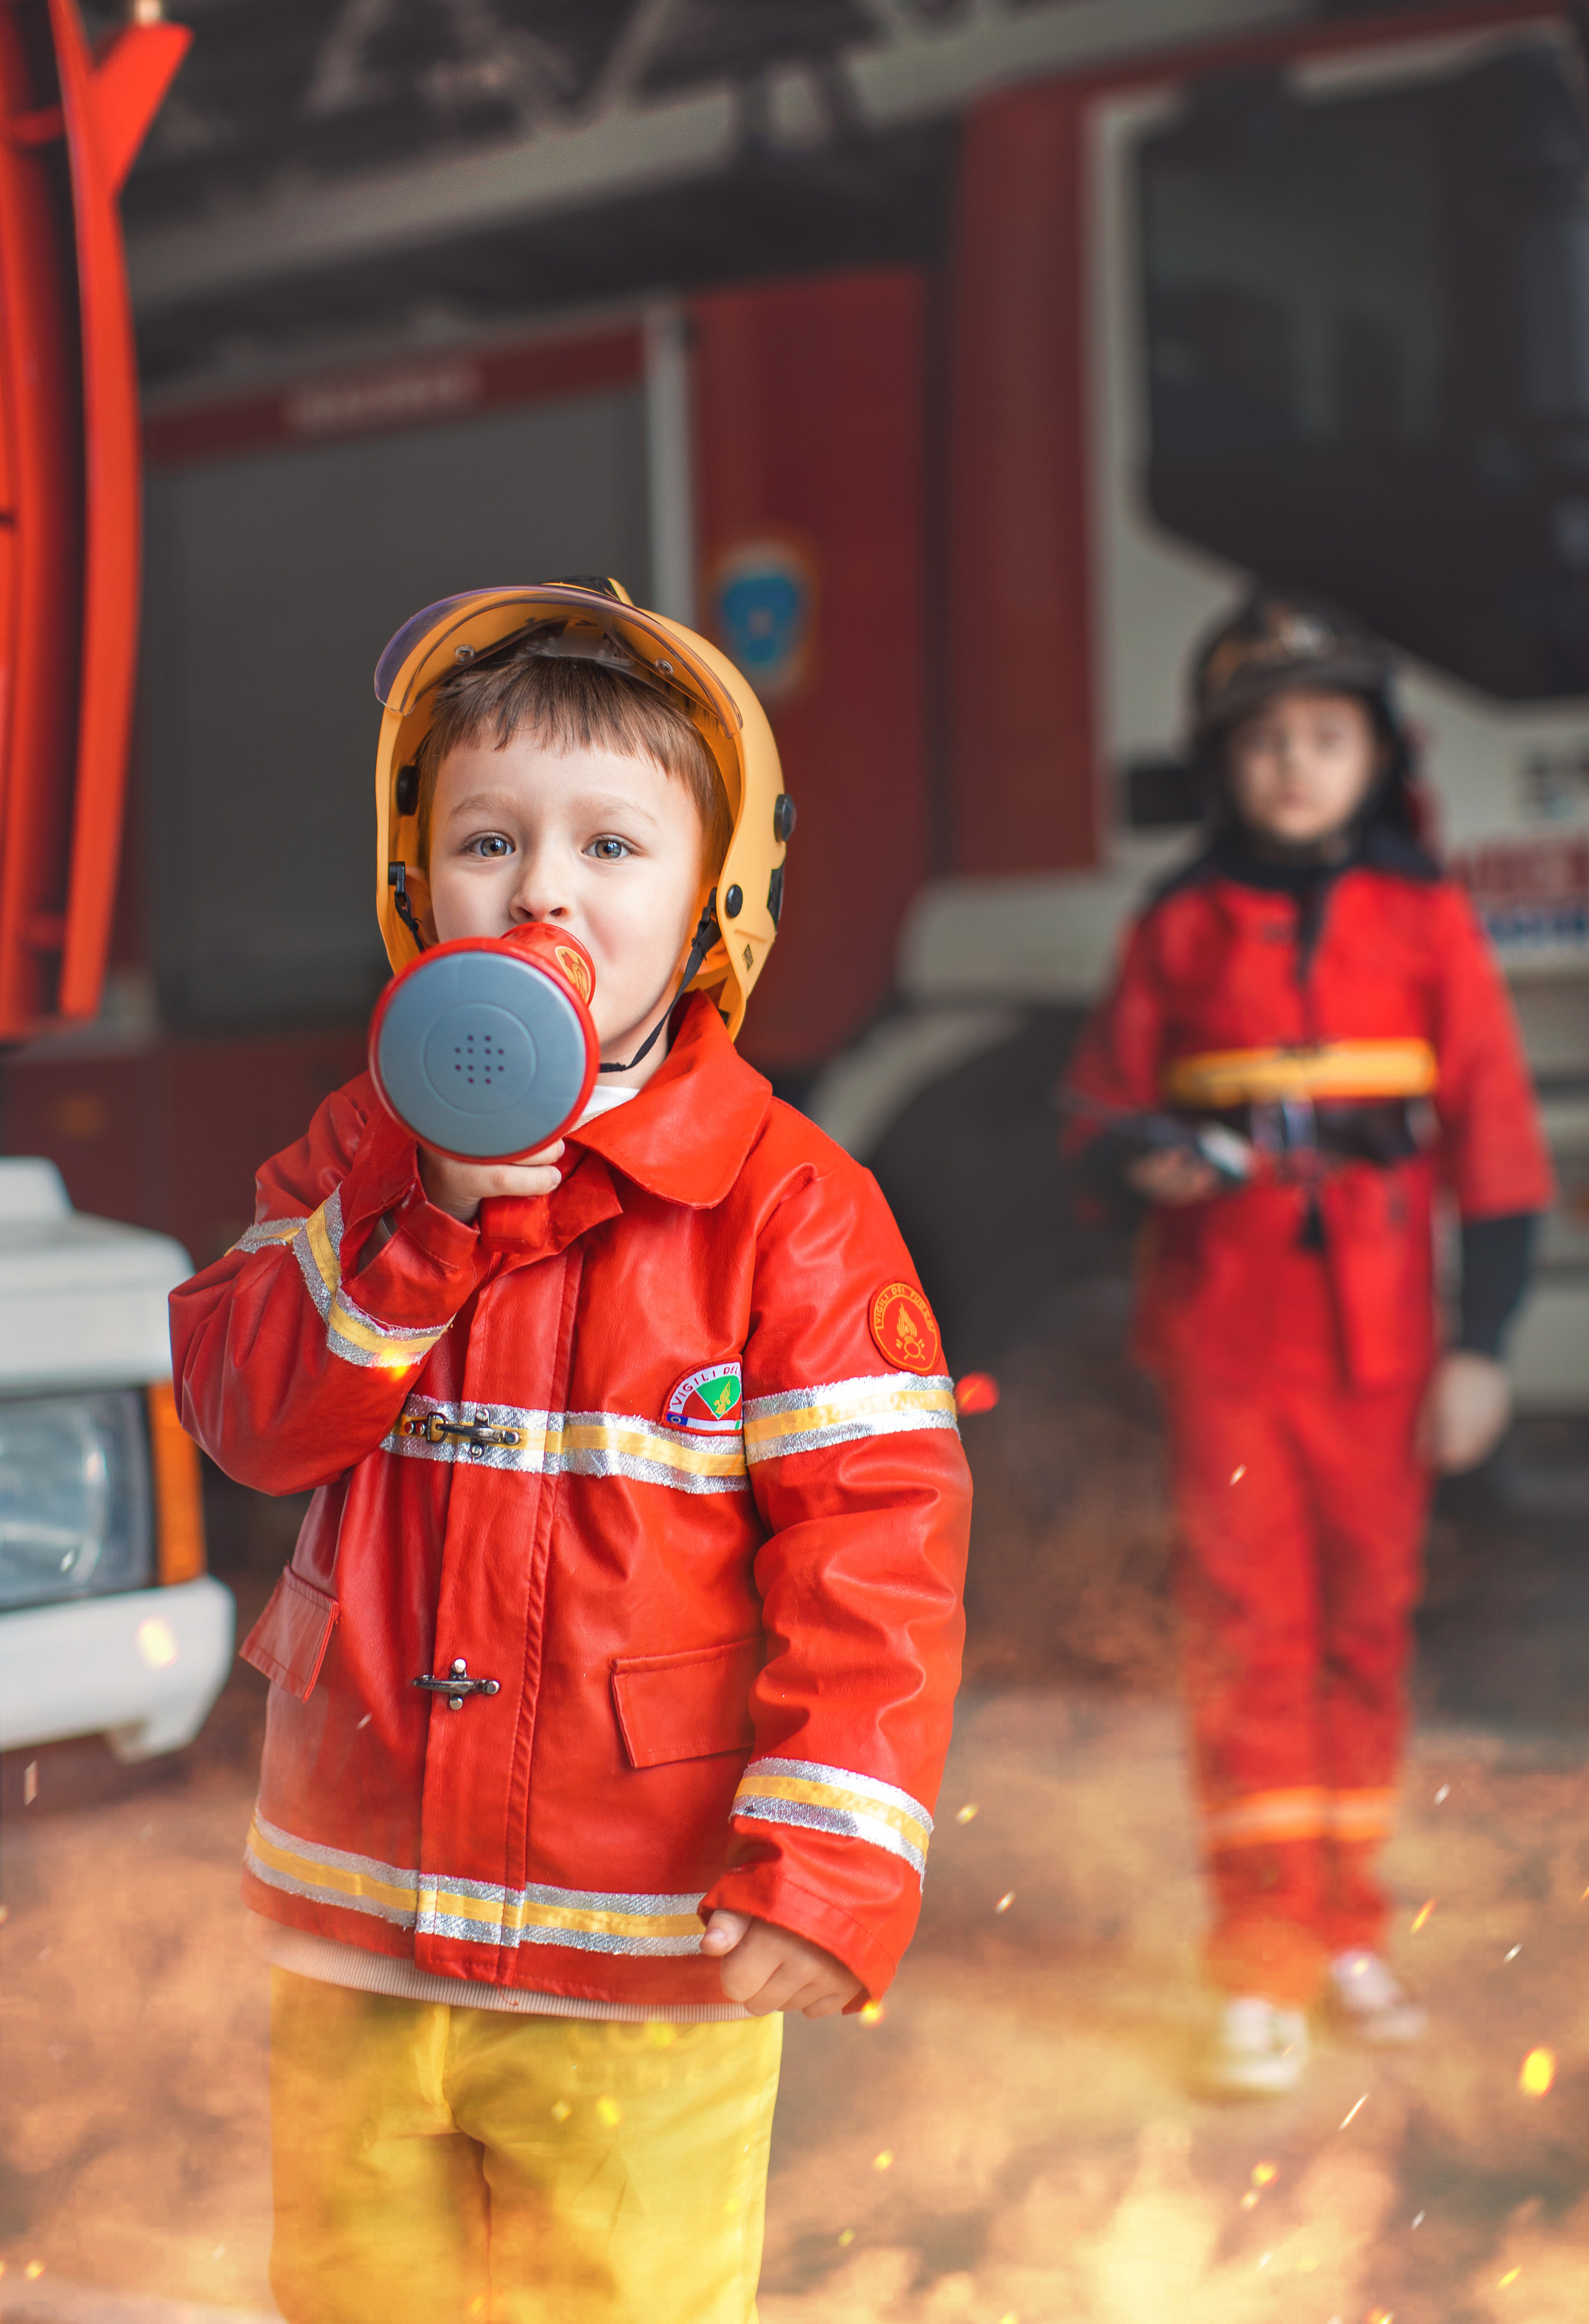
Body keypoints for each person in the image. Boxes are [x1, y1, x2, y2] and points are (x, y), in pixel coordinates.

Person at [169, 580, 971, 2320]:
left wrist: (828, 1864)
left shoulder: (793, 1214)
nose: (541, 887)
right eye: (486, 838)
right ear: (413, 883)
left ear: (716, 901)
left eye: (613, 844)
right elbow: (245, 1421)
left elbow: (879, 1546)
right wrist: (422, 1217)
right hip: (353, 1925)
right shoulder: (355, 1151)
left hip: (639, 1961)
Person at [1063, 592, 1552, 2097]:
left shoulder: (1425, 923)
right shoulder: (1176, 926)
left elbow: (1498, 1147)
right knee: (1247, 1640)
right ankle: (1257, 1958)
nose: (1292, 765)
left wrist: (1481, 1348)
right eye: (1263, 740)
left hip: (1386, 1348)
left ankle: (1346, 1926)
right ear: (1223, 763)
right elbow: (1093, 1114)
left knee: (1360, 1635)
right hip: (1225, 1342)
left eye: (1322, 737)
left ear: (1372, 755)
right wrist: (1138, 1153)